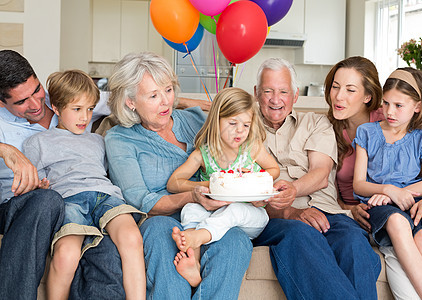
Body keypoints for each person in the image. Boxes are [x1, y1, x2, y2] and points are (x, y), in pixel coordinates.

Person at [104, 52, 253, 299]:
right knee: (162, 234)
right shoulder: (120, 139)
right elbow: (141, 201)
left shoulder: (196, 119)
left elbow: (239, 144)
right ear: (131, 101)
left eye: (169, 90)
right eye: (153, 95)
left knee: (236, 239)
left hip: (213, 215)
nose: (165, 102)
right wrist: (191, 197)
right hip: (163, 218)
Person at [249, 57, 381, 299]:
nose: (275, 99)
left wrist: (292, 188)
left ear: (296, 95)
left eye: (283, 92)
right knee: (301, 235)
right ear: (257, 93)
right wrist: (290, 212)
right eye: (268, 91)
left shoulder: (316, 123)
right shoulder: (242, 129)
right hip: (277, 218)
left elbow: (320, 174)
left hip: (329, 212)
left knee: (353, 242)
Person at [324, 56, 422, 299]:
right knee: (397, 229)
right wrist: (353, 207)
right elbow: (340, 189)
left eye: (350, 89)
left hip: (413, 204)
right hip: (376, 209)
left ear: (368, 97)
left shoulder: (406, 126)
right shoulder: (338, 130)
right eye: (335, 87)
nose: (339, 96)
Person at [22, 70, 146, 300]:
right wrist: (41, 185)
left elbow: (107, 173)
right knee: (66, 255)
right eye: (76, 109)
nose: (85, 117)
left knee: (132, 238)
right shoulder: (37, 142)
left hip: (105, 196)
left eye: (90, 109)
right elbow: (33, 185)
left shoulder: (98, 140)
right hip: (70, 200)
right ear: (57, 108)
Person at [167, 87, 279, 287]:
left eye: (246, 125)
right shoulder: (203, 154)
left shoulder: (251, 149)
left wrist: (255, 177)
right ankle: (194, 261)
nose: (240, 131)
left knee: (234, 209)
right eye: (233, 123)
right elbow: (174, 182)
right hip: (214, 212)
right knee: (190, 208)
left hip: (250, 215)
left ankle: (199, 236)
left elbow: (274, 169)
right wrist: (212, 184)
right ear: (216, 121)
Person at [0, 50, 65, 300]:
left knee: (53, 201)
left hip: (63, 203)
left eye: (36, 90)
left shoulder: (63, 98)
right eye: (21, 102)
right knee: (46, 200)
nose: (36, 105)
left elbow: (128, 98)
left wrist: (193, 103)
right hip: (10, 206)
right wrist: (5, 149)